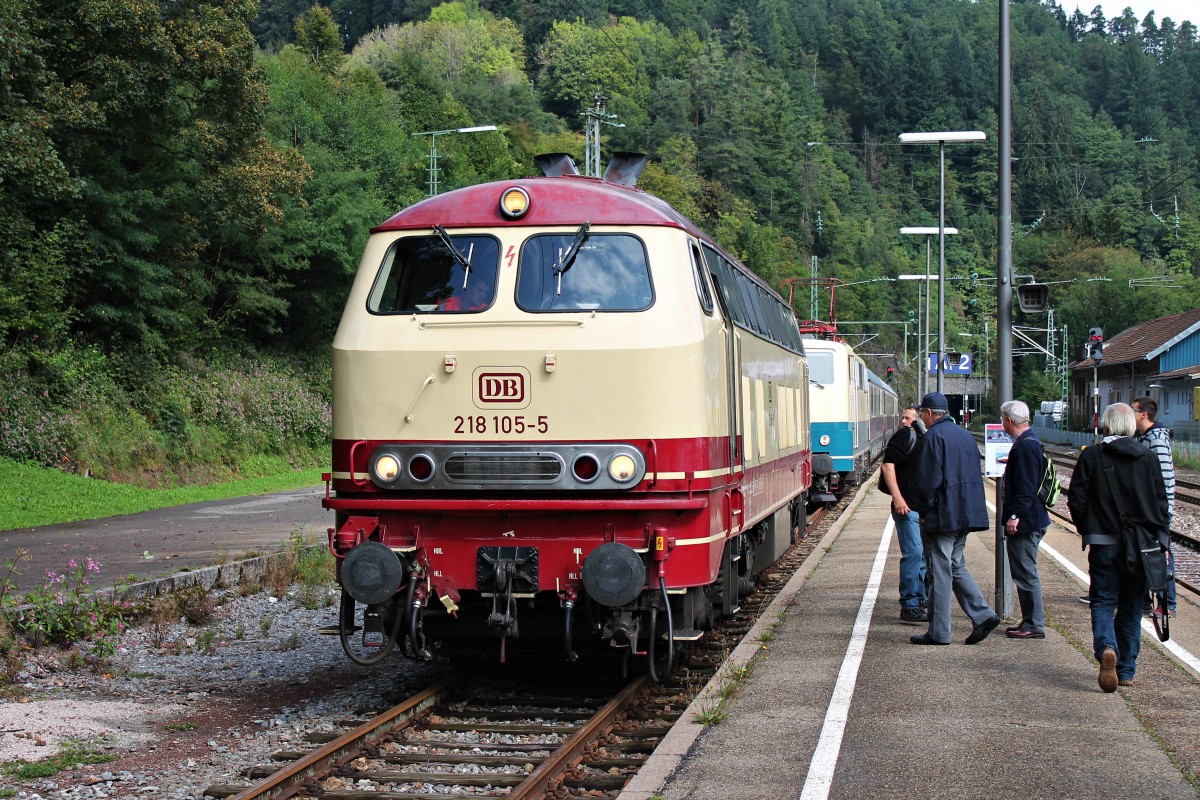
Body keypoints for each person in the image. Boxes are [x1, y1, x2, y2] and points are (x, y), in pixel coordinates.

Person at [1067, 403, 1169, 691]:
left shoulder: (1093, 455)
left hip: (1104, 544)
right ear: (1131, 425)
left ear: (1107, 425)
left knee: (1102, 600)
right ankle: (1125, 670)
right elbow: (1161, 502)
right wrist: (1158, 539)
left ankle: (1106, 647)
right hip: (1140, 547)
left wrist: (1089, 529)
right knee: (1132, 607)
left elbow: (1077, 498)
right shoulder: (1147, 457)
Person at [909, 392, 1000, 646]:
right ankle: (983, 615)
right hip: (967, 512)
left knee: (939, 571)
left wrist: (924, 512)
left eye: (922, 414)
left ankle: (939, 632)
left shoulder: (933, 438)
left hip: (943, 514)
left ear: (928, 413)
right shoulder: (965, 436)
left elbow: (928, 482)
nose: (922, 419)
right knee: (955, 565)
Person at [999, 400, 1051, 639]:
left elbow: (1026, 488)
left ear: (1009, 420)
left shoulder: (1025, 446)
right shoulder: (1028, 442)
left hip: (1027, 521)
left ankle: (1034, 624)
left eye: (1003, 420)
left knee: (1026, 573)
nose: (1002, 424)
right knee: (1023, 571)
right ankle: (1030, 621)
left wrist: (1014, 515)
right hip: (1030, 519)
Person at [881, 405, 927, 624]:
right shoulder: (903, 436)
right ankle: (909, 604)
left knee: (923, 555)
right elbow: (887, 467)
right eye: (904, 417)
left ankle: (920, 598)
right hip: (906, 507)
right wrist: (897, 498)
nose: (904, 421)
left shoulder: (925, 438)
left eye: (909, 418)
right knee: (914, 553)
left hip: (923, 507)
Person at [1132, 396, 1176, 617]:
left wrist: (1162, 510)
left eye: (1134, 410)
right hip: (1149, 507)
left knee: (1162, 553)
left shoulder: (1156, 439)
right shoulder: (1145, 437)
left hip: (1157, 509)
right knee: (1148, 551)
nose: (1131, 414)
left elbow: (1164, 477)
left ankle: (1168, 604)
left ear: (1144, 414)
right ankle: (1147, 601)